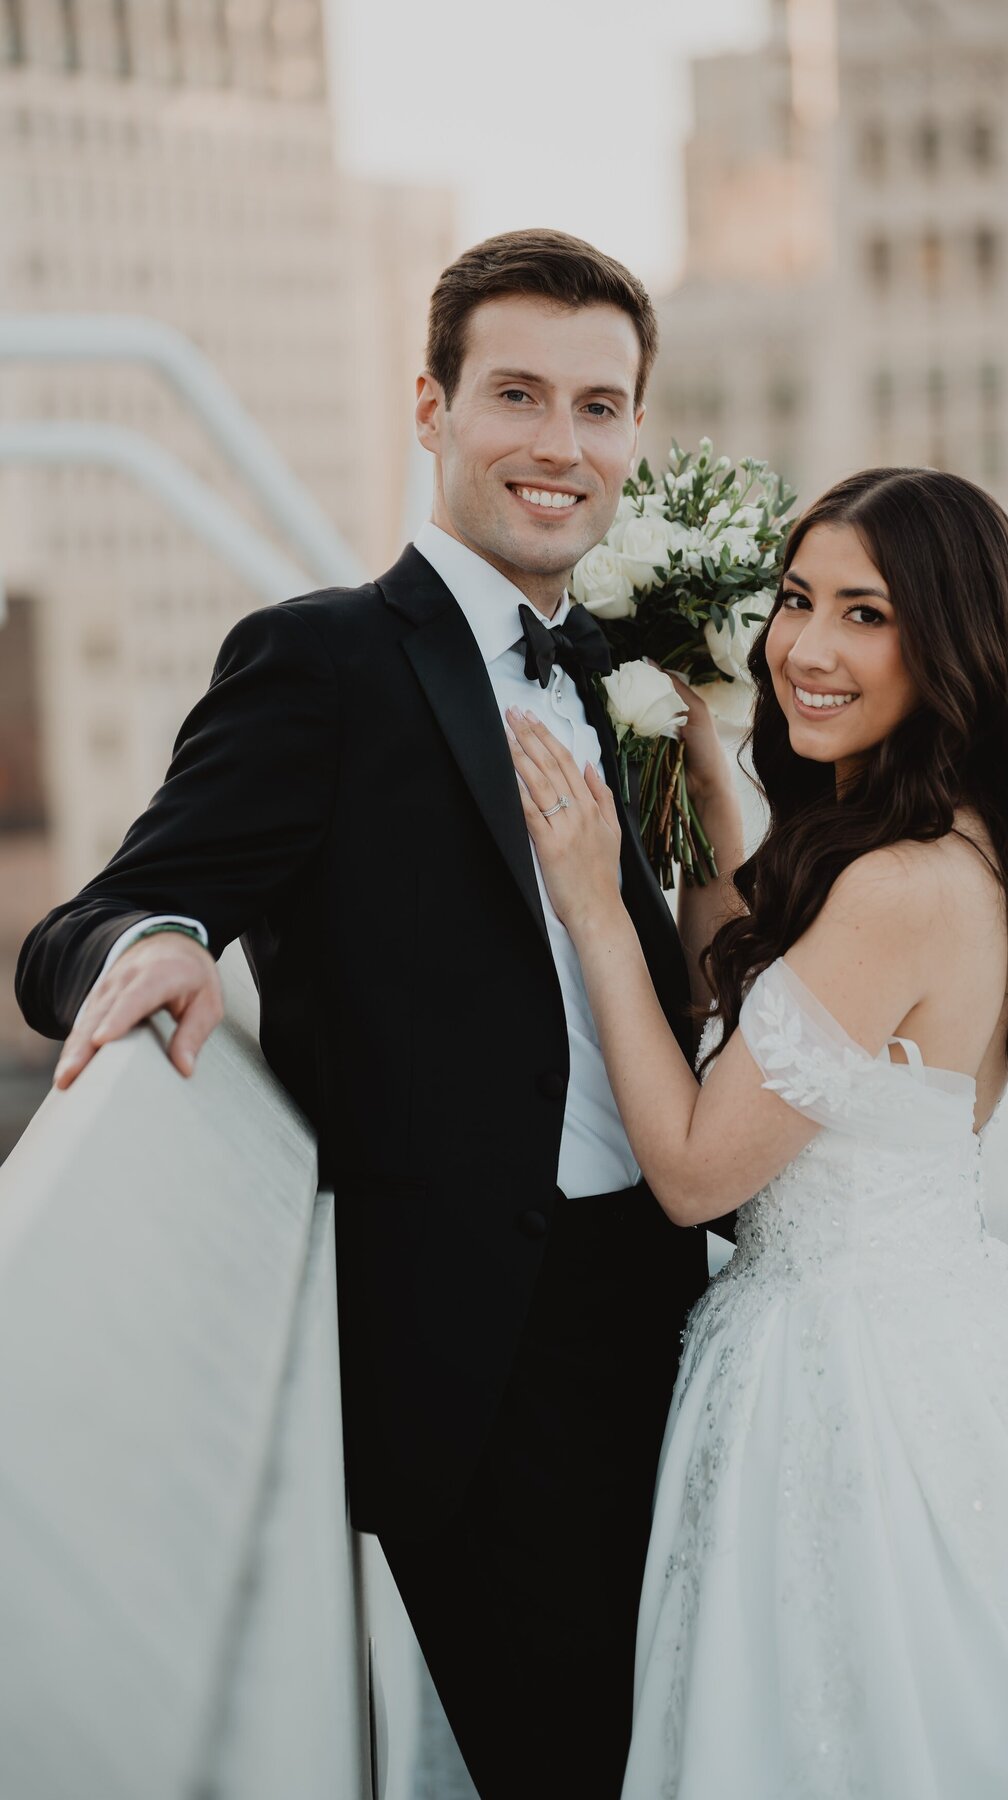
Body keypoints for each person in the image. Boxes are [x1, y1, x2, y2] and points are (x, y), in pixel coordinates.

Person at [15, 229, 716, 1800]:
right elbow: (77, 923)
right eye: (517, 394)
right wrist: (163, 940)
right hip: (479, 1358)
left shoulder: (629, 668)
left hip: (674, 1308)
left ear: (635, 434)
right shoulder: (323, 661)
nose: (560, 444)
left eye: (600, 408)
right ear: (430, 407)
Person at [503, 465, 1008, 1798]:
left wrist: (595, 900)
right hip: (921, 1327)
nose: (808, 649)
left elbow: (703, 1167)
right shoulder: (937, 839)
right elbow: (769, 1044)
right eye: (797, 600)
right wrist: (714, 831)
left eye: (867, 614)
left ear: (952, 643)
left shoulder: (898, 885)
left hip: (858, 1385)